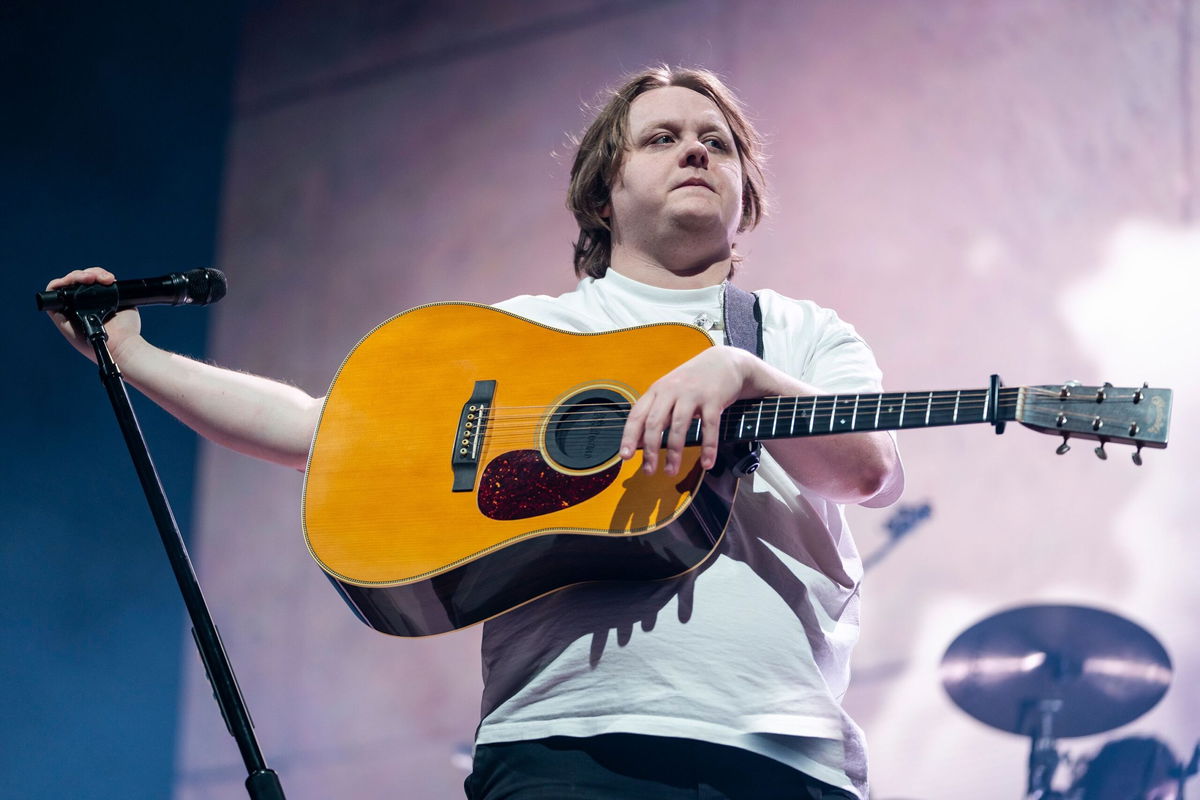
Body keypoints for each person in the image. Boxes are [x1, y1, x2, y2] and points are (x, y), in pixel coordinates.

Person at [46, 66, 902, 799]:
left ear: (746, 190)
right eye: (663, 137)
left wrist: (741, 373)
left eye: (718, 141)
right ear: (603, 192)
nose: (696, 152)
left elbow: (865, 472)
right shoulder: (523, 336)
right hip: (565, 747)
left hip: (785, 750)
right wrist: (132, 354)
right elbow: (323, 427)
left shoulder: (799, 334)